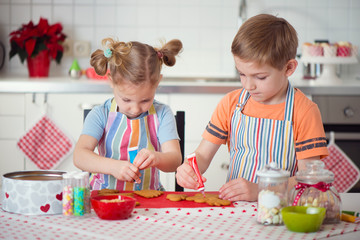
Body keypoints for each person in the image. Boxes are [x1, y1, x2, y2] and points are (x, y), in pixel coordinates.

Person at [176, 14, 329, 201]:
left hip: (281, 213)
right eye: (242, 74)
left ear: (288, 68)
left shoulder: (304, 111)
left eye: (260, 77)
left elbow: (309, 179)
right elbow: (202, 155)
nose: (248, 86)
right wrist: (190, 167)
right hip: (234, 210)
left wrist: (263, 190)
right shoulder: (231, 104)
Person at [74, 37, 183, 191]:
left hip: (150, 197)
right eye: (126, 100)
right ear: (111, 80)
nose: (135, 109)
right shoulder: (101, 114)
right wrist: (112, 167)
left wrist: (157, 158)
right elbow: (79, 156)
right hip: (105, 196)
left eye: (145, 100)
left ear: (158, 82)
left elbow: (175, 160)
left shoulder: (162, 113)